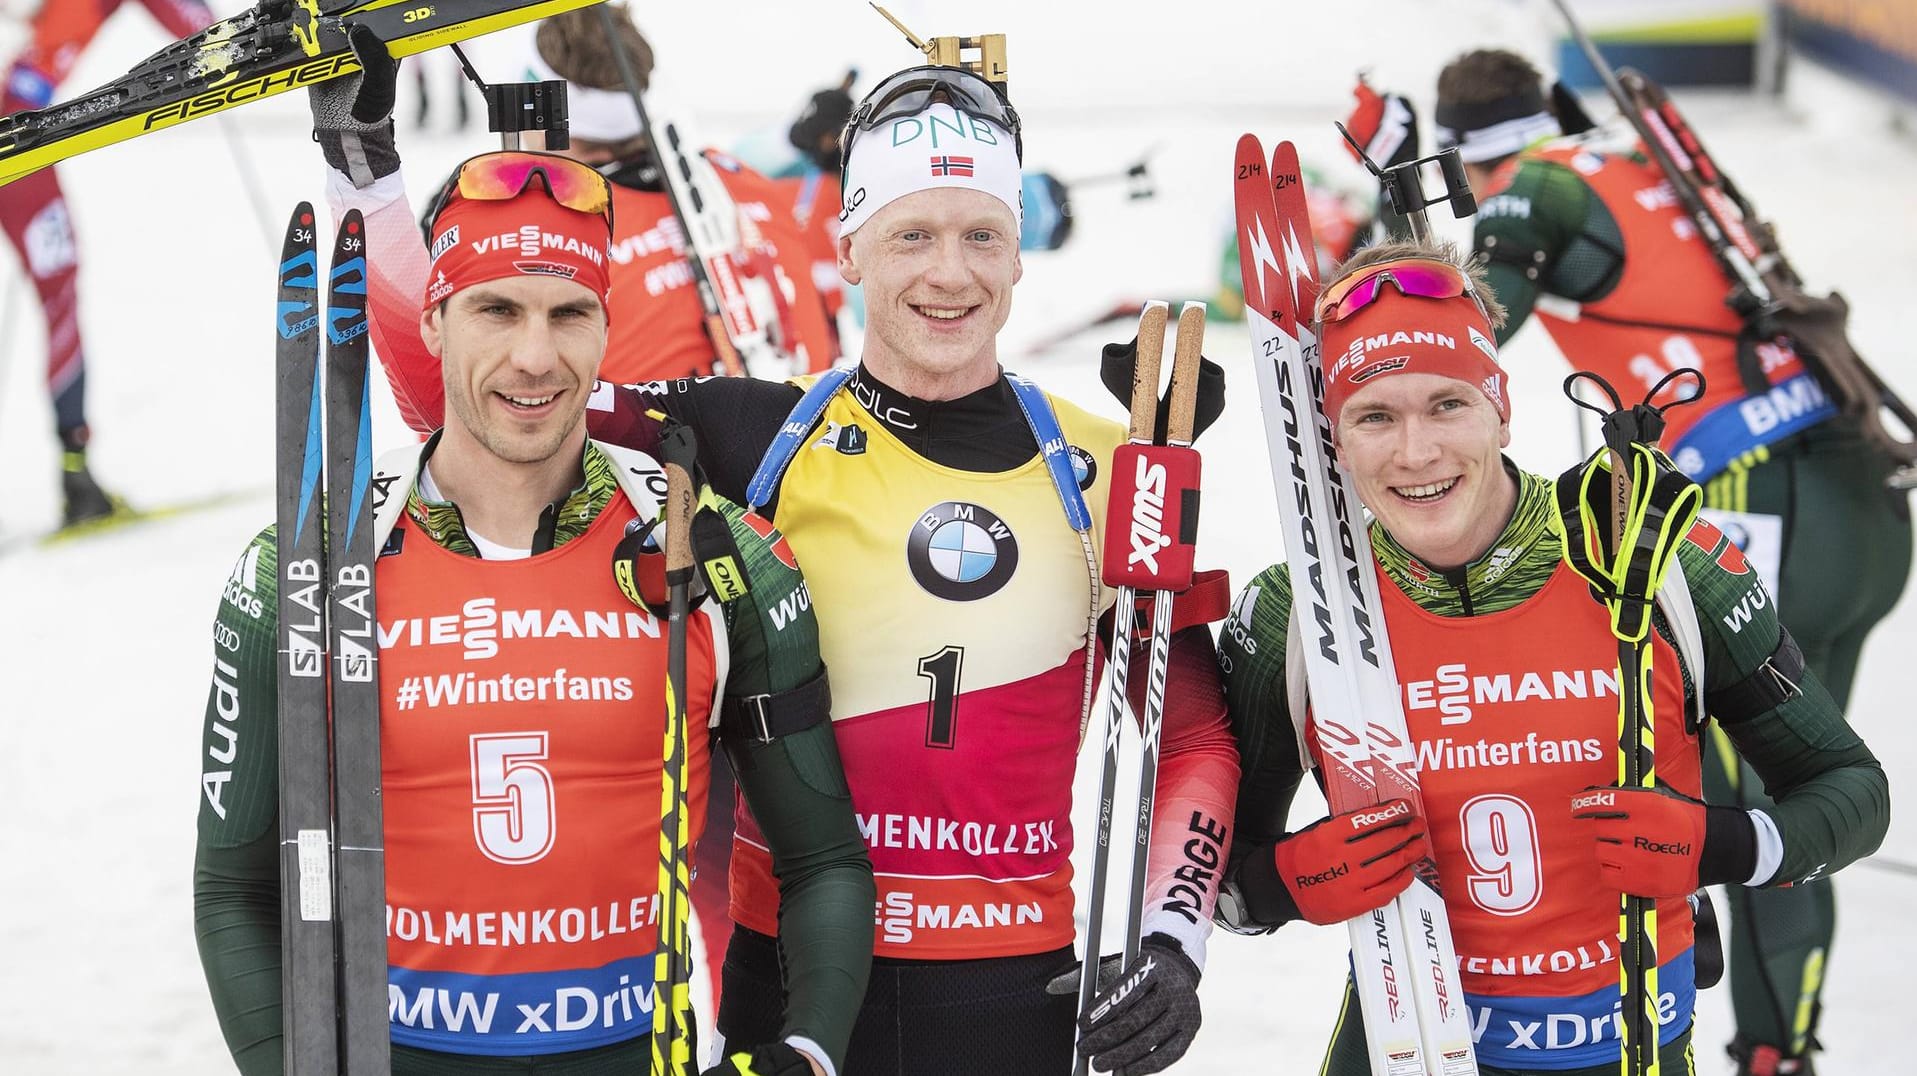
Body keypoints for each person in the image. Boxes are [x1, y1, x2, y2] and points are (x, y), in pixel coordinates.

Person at [330, 53, 1241, 1073]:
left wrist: (1174, 939)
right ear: (846, 246)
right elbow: (471, 395)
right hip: (791, 984)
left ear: (1019, 251)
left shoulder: (1104, 467)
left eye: (981, 233)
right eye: (912, 236)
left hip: (1014, 991)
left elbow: (1193, 731)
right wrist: (369, 179)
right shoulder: (750, 436)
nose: (950, 272)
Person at [192, 151, 874, 1076]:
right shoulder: (305, 568)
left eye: (569, 313)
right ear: (431, 321)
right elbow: (234, 887)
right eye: (496, 309)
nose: (534, 357)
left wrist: (806, 1050)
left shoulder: (716, 555)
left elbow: (823, 859)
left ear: (605, 327)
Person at [1216, 239, 1890, 1075]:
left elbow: (1853, 793)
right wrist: (1284, 880)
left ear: (1501, 407)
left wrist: (1722, 846)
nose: (1415, 452)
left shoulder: (1659, 562)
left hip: (1634, 1048)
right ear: (1334, 438)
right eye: (1374, 416)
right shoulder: (1292, 611)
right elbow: (1213, 882)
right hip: (1406, 1049)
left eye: (1447, 405)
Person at [1422, 49, 1912, 1073]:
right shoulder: (1631, 148)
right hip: (1854, 484)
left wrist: (1395, 219)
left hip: (1755, 493)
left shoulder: (1529, 190)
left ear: (1466, 155)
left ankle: (1773, 1053)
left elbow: (1465, 332)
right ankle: (1784, 1043)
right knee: (1800, 786)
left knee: (1750, 812)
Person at [311, 5, 838, 438]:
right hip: (810, 464)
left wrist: (365, 175)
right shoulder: (743, 178)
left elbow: (442, 411)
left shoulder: (553, 232)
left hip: (650, 525)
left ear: (540, 109)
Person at [1, 0, 213, 525]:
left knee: (61, 291)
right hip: (16, 143)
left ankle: (77, 473)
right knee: (61, 297)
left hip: (19, 131)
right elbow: (202, 31)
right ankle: (77, 479)